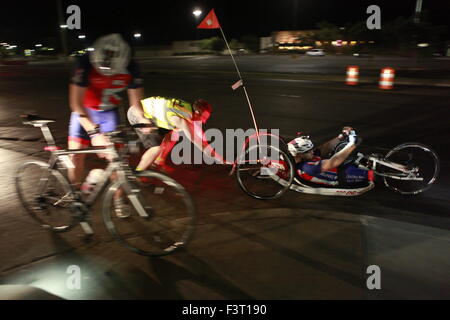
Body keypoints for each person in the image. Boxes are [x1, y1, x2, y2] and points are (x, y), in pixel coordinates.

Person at [67, 33, 147, 217]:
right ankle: (76, 197)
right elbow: (76, 104)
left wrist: (145, 123)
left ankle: (119, 199)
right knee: (76, 156)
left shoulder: (131, 66)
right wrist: (94, 133)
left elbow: (136, 105)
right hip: (84, 111)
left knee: (117, 161)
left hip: (109, 113)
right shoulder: (84, 62)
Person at [127, 96, 227, 171]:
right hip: (138, 114)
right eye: (203, 118)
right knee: (155, 148)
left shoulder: (188, 110)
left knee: (175, 134)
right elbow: (200, 144)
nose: (204, 121)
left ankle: (159, 161)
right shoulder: (181, 119)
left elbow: (201, 137)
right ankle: (138, 173)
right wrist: (221, 159)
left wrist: (218, 156)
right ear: (197, 113)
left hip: (152, 115)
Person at [287, 127, 373, 187]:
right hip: (343, 176)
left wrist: (342, 136)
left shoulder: (305, 157)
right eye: (309, 151)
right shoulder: (306, 168)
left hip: (339, 167)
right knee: (373, 175)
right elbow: (333, 163)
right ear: (298, 154)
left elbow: (325, 148)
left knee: (366, 159)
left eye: (311, 149)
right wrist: (352, 144)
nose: (312, 151)